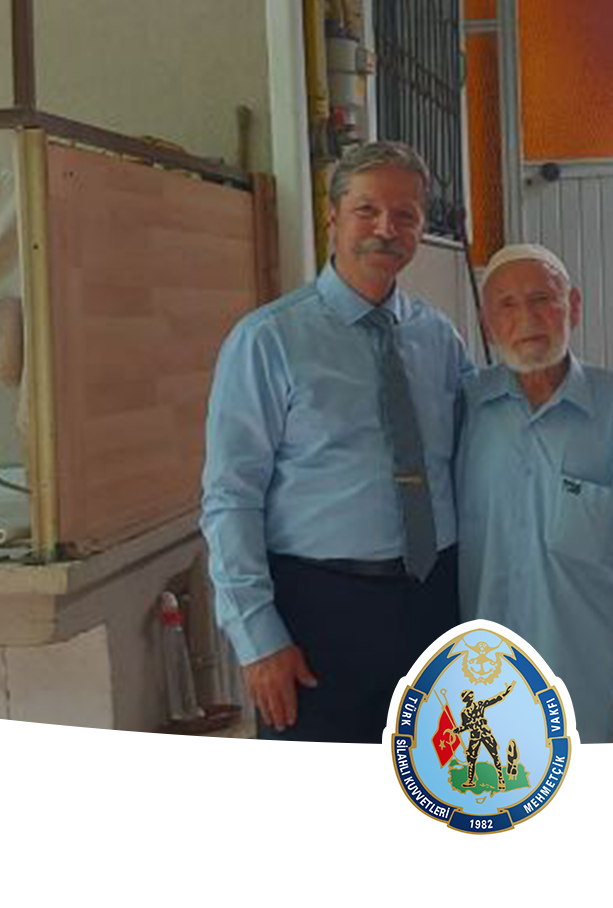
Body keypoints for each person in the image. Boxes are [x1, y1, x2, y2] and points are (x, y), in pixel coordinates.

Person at [201, 141, 472, 743]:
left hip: (434, 606)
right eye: (367, 210)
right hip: (318, 615)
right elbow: (230, 498)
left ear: (421, 228)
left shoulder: (439, 339)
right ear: (332, 217)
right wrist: (258, 638)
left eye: (405, 214)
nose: (386, 228)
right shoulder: (268, 341)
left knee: (434, 782)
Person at [459, 243, 613, 744]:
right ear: (487, 324)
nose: (528, 318)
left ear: (573, 306)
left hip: (598, 705)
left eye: (542, 299)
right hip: (484, 709)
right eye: (507, 305)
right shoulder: (464, 413)